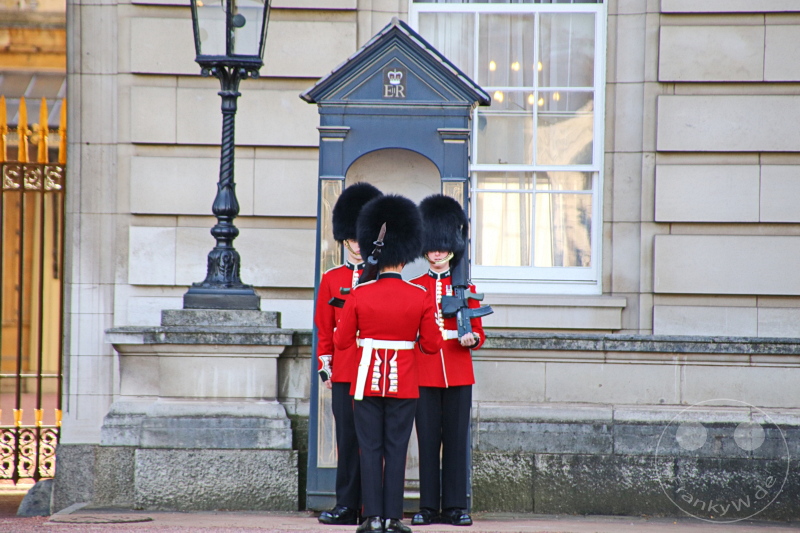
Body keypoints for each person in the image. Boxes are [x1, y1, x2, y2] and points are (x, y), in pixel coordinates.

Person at [334, 194, 442, 533]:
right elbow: (432, 344)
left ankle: (371, 517)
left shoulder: (360, 294)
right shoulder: (420, 295)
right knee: (396, 448)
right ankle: (394, 518)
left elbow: (340, 341)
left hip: (366, 378)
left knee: (370, 449)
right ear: (406, 254)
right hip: (405, 381)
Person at [410, 194, 485, 527]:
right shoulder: (413, 288)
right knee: (427, 441)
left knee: (455, 442)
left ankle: (455, 506)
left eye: (443, 247)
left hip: (458, 373)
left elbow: (479, 332)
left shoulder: (466, 287)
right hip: (423, 374)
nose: (437, 253)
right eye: (432, 247)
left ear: (453, 248)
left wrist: (472, 338)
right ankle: (428, 506)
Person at [316, 182, 383, 526]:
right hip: (343, 369)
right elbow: (324, 329)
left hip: (374, 368)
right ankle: (346, 504)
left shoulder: (384, 279)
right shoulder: (332, 278)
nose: (357, 246)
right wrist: (326, 368)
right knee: (347, 439)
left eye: (362, 237)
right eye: (351, 239)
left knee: (373, 441)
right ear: (344, 240)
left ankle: (374, 506)